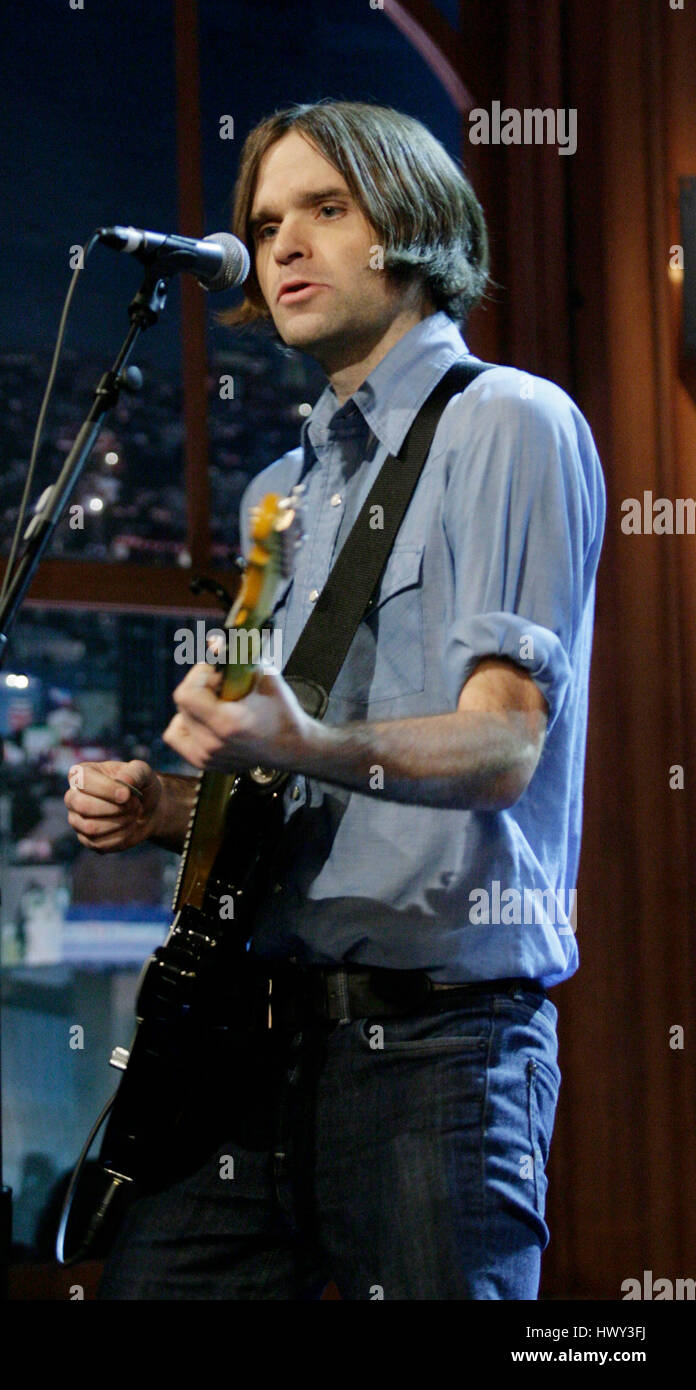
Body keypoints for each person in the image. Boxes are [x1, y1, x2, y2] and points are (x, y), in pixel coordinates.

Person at [64, 100, 605, 1300]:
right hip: (251, 1034)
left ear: (406, 224)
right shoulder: (281, 489)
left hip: (436, 1046)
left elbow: (506, 742)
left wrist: (303, 738)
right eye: (264, 224)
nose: (284, 245)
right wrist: (165, 804)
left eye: (326, 208)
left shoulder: (509, 421)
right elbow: (289, 770)